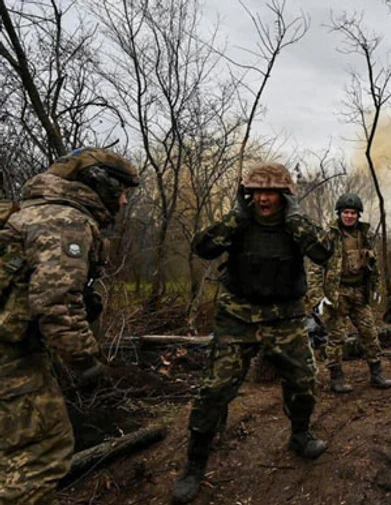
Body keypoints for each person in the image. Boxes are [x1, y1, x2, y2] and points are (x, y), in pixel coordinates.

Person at [171, 162, 333, 504]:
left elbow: (324, 252)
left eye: (271, 192)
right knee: (214, 390)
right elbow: (203, 247)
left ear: (284, 195)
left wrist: (295, 220)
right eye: (257, 191)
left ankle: (300, 435)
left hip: (285, 317)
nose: (263, 199)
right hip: (238, 317)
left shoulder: (294, 225)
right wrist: (236, 218)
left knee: (304, 381)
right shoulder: (239, 222)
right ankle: (195, 465)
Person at [0, 148, 139, 505]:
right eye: (120, 191)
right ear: (98, 184)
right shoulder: (65, 221)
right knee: (42, 451)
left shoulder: (30, 212)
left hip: (16, 347)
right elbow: (56, 303)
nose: (123, 201)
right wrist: (86, 365)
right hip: (10, 356)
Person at [311, 193, 391, 394]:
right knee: (336, 336)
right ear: (340, 214)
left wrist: (376, 287)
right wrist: (317, 296)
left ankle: (376, 372)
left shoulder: (365, 235)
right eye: (346, 212)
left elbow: (374, 264)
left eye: (353, 213)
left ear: (358, 215)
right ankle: (336, 377)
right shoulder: (329, 235)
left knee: (369, 333)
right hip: (337, 294)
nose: (349, 216)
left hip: (359, 292)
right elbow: (315, 266)